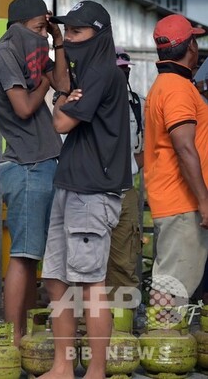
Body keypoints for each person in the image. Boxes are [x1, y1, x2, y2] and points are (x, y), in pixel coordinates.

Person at [40, 0, 131, 379]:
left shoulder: (101, 73)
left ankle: (95, 370)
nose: (72, 39)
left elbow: (60, 122)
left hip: (93, 192)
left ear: (99, 34)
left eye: (78, 32)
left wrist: (63, 100)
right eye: (69, 32)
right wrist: (60, 48)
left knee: (91, 283)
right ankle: (62, 367)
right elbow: (62, 100)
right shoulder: (85, 71)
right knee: (56, 280)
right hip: (70, 184)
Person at [0, 0, 68, 345]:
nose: (42, 36)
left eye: (45, 31)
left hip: (42, 163)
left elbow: (64, 82)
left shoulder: (35, 52)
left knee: (36, 256)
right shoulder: (5, 52)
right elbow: (23, 107)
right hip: (26, 167)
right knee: (24, 255)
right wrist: (47, 82)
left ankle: (20, 335)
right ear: (19, 25)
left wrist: (59, 41)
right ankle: (13, 339)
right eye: (38, 28)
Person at [143, 15, 208, 304]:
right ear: (190, 46)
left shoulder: (167, 84)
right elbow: (184, 148)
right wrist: (204, 202)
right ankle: (164, 344)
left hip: (174, 201)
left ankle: (164, 341)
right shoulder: (177, 89)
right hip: (183, 204)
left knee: (171, 287)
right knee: (173, 292)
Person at [105, 47, 144, 304]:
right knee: (89, 262)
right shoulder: (87, 100)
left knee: (125, 260)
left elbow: (143, 149)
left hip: (125, 190)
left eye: (125, 70)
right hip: (92, 191)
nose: (123, 75)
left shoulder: (138, 103)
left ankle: (122, 326)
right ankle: (90, 322)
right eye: (118, 70)